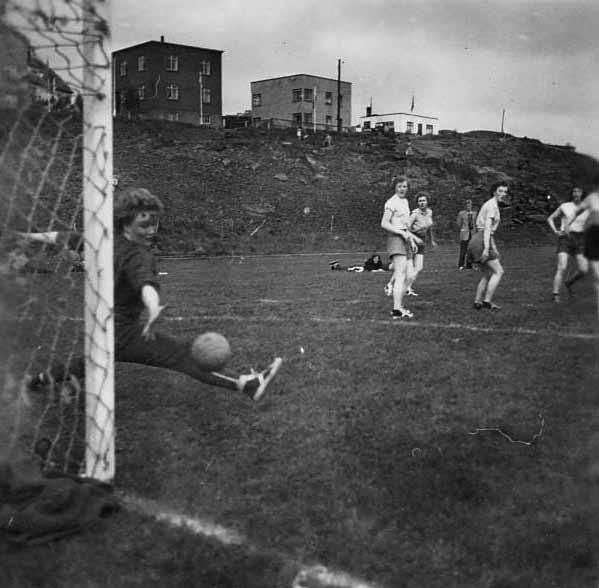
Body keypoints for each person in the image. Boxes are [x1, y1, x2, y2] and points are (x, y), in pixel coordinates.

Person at [26, 187, 282, 400]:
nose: (151, 229)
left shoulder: (106, 240)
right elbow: (144, 283)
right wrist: (153, 305)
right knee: (182, 354)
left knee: (89, 361)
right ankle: (247, 384)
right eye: (144, 223)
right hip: (122, 332)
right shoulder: (138, 255)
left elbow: (67, 237)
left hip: (101, 325)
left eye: (155, 223)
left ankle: (36, 382)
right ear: (126, 221)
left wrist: (28, 236)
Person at [380, 176, 422, 319]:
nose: (402, 189)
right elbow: (384, 223)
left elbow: (405, 226)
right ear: (395, 187)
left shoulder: (405, 202)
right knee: (400, 274)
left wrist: (411, 239)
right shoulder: (391, 202)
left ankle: (399, 306)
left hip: (405, 238)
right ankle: (396, 309)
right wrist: (401, 233)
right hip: (396, 239)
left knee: (411, 275)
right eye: (399, 186)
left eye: (404, 186)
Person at [467, 182, 510, 311]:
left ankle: (477, 302)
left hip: (477, 240)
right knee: (499, 271)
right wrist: (486, 248)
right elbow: (487, 229)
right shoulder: (491, 206)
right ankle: (487, 301)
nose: (503, 194)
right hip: (481, 240)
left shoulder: (492, 205)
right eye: (500, 191)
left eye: (505, 192)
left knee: (487, 273)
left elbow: (489, 231)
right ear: (494, 192)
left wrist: (494, 247)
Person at [546, 186, 589, 301]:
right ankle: (556, 295)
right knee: (562, 267)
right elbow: (550, 218)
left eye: (579, 191)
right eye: (574, 191)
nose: (576, 193)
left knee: (583, 270)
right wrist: (555, 231)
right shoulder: (565, 206)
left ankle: (569, 282)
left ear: (583, 193)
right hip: (565, 238)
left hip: (580, 239)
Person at [566, 185, 599, 319]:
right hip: (590, 237)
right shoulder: (592, 199)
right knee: (586, 270)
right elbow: (577, 211)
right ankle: (569, 283)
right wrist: (568, 224)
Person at [404, 192, 437, 297]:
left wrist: (432, 240)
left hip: (422, 240)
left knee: (419, 267)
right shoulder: (414, 214)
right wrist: (413, 241)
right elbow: (406, 229)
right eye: (419, 201)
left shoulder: (429, 212)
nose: (422, 203)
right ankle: (405, 287)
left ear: (427, 201)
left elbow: (429, 227)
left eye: (423, 200)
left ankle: (405, 286)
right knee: (409, 266)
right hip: (412, 239)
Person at [456, 199, 477, 269]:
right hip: (464, 234)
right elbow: (459, 223)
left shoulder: (475, 213)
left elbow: (476, 223)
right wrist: (463, 229)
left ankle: (469, 265)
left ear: (471, 206)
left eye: (470, 205)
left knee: (470, 250)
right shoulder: (461, 213)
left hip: (472, 233)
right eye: (467, 205)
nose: (468, 206)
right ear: (465, 206)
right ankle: (461, 265)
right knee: (463, 250)